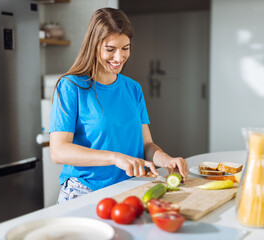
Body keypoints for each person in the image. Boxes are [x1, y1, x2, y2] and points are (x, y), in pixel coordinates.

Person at [49, 7, 189, 204]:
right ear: (94, 45)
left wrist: (166, 160)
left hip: (130, 190)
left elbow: (146, 145)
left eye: (125, 48)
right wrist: (115, 158)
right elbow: (58, 151)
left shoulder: (133, 89)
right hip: (84, 192)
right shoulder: (71, 86)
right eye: (110, 49)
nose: (119, 57)